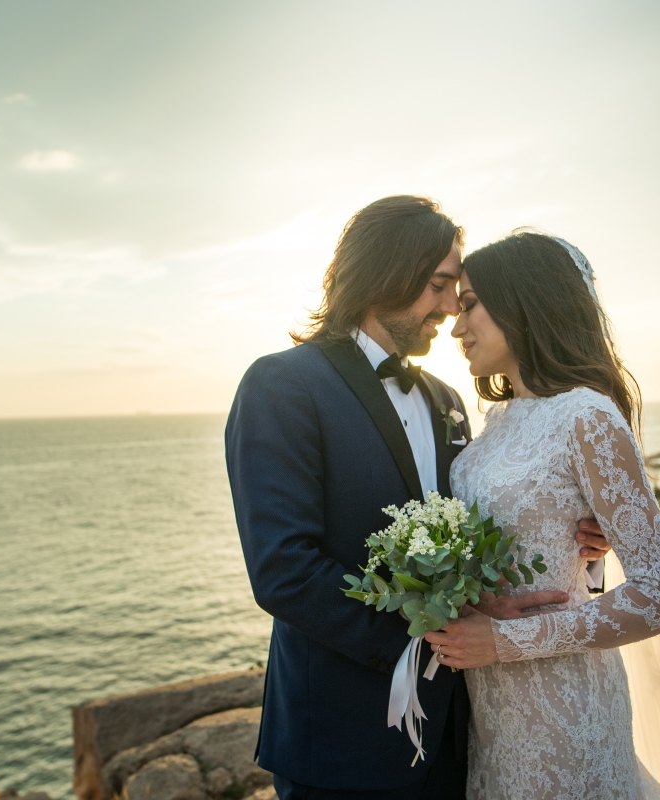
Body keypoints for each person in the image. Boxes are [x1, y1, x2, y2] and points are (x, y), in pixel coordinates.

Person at [224, 197, 612, 800]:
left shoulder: (447, 400)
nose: (454, 306)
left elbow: (492, 522)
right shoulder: (283, 386)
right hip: (339, 737)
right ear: (385, 274)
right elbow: (282, 571)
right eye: (439, 284)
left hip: (457, 733)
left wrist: (583, 535)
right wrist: (435, 636)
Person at [423, 231, 660, 799]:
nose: (457, 326)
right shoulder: (499, 419)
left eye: (469, 305)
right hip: (493, 713)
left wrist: (503, 643)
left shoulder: (587, 415)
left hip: (565, 710)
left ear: (523, 303)